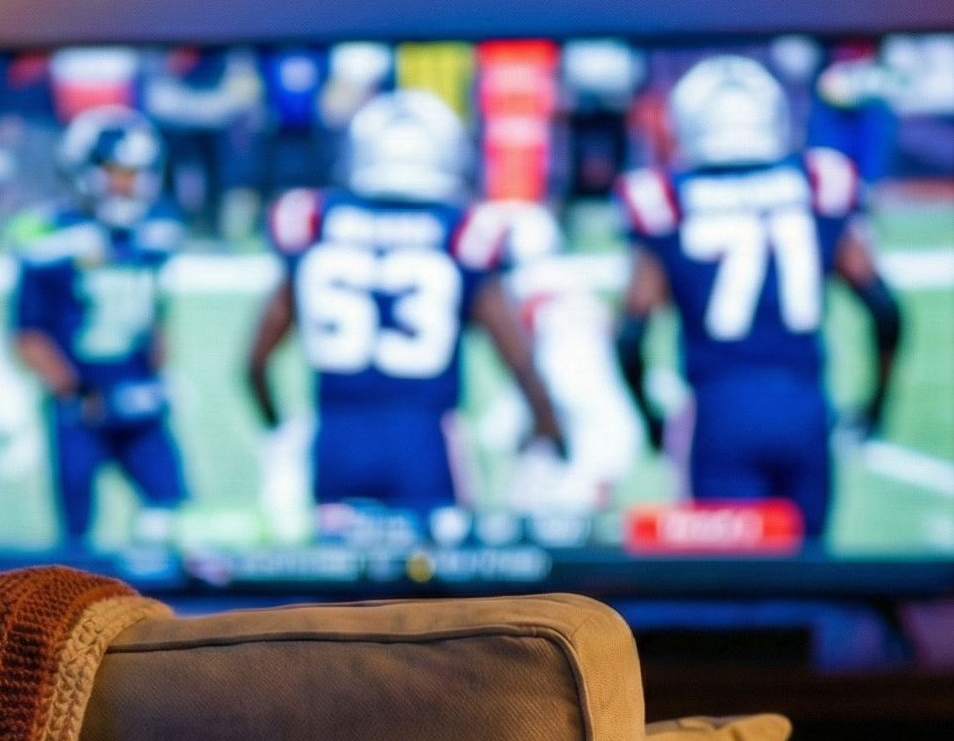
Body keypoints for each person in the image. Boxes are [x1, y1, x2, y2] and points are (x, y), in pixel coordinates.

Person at [613, 55, 905, 540]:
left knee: (731, 572)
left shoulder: (665, 198)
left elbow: (629, 335)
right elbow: (884, 308)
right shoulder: (819, 182)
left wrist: (650, 419)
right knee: (808, 563)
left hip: (719, 410)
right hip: (805, 406)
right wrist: (877, 403)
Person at [243, 90, 564, 512]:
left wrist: (279, 427)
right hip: (425, 439)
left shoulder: (314, 220)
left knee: (337, 554)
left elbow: (255, 361)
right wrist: (548, 425)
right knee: (435, 553)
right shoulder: (461, 230)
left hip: (335, 437)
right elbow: (516, 355)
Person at [12, 106, 187, 547]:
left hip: (140, 400)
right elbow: (28, 333)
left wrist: (160, 373)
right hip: (82, 406)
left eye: (138, 172)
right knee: (77, 539)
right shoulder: (47, 234)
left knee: (174, 517)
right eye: (118, 171)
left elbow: (155, 312)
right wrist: (74, 391)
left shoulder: (154, 229)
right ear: (85, 168)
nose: (130, 184)